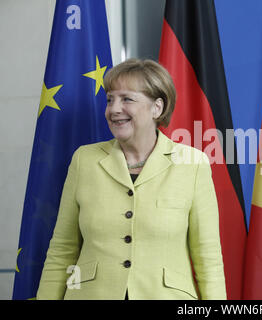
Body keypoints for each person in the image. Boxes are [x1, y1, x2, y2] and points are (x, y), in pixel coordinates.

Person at [36, 58, 227, 300]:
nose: (114, 109)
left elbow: (207, 257)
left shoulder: (193, 164)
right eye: (110, 99)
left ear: (157, 108)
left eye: (127, 99)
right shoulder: (84, 160)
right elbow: (62, 249)